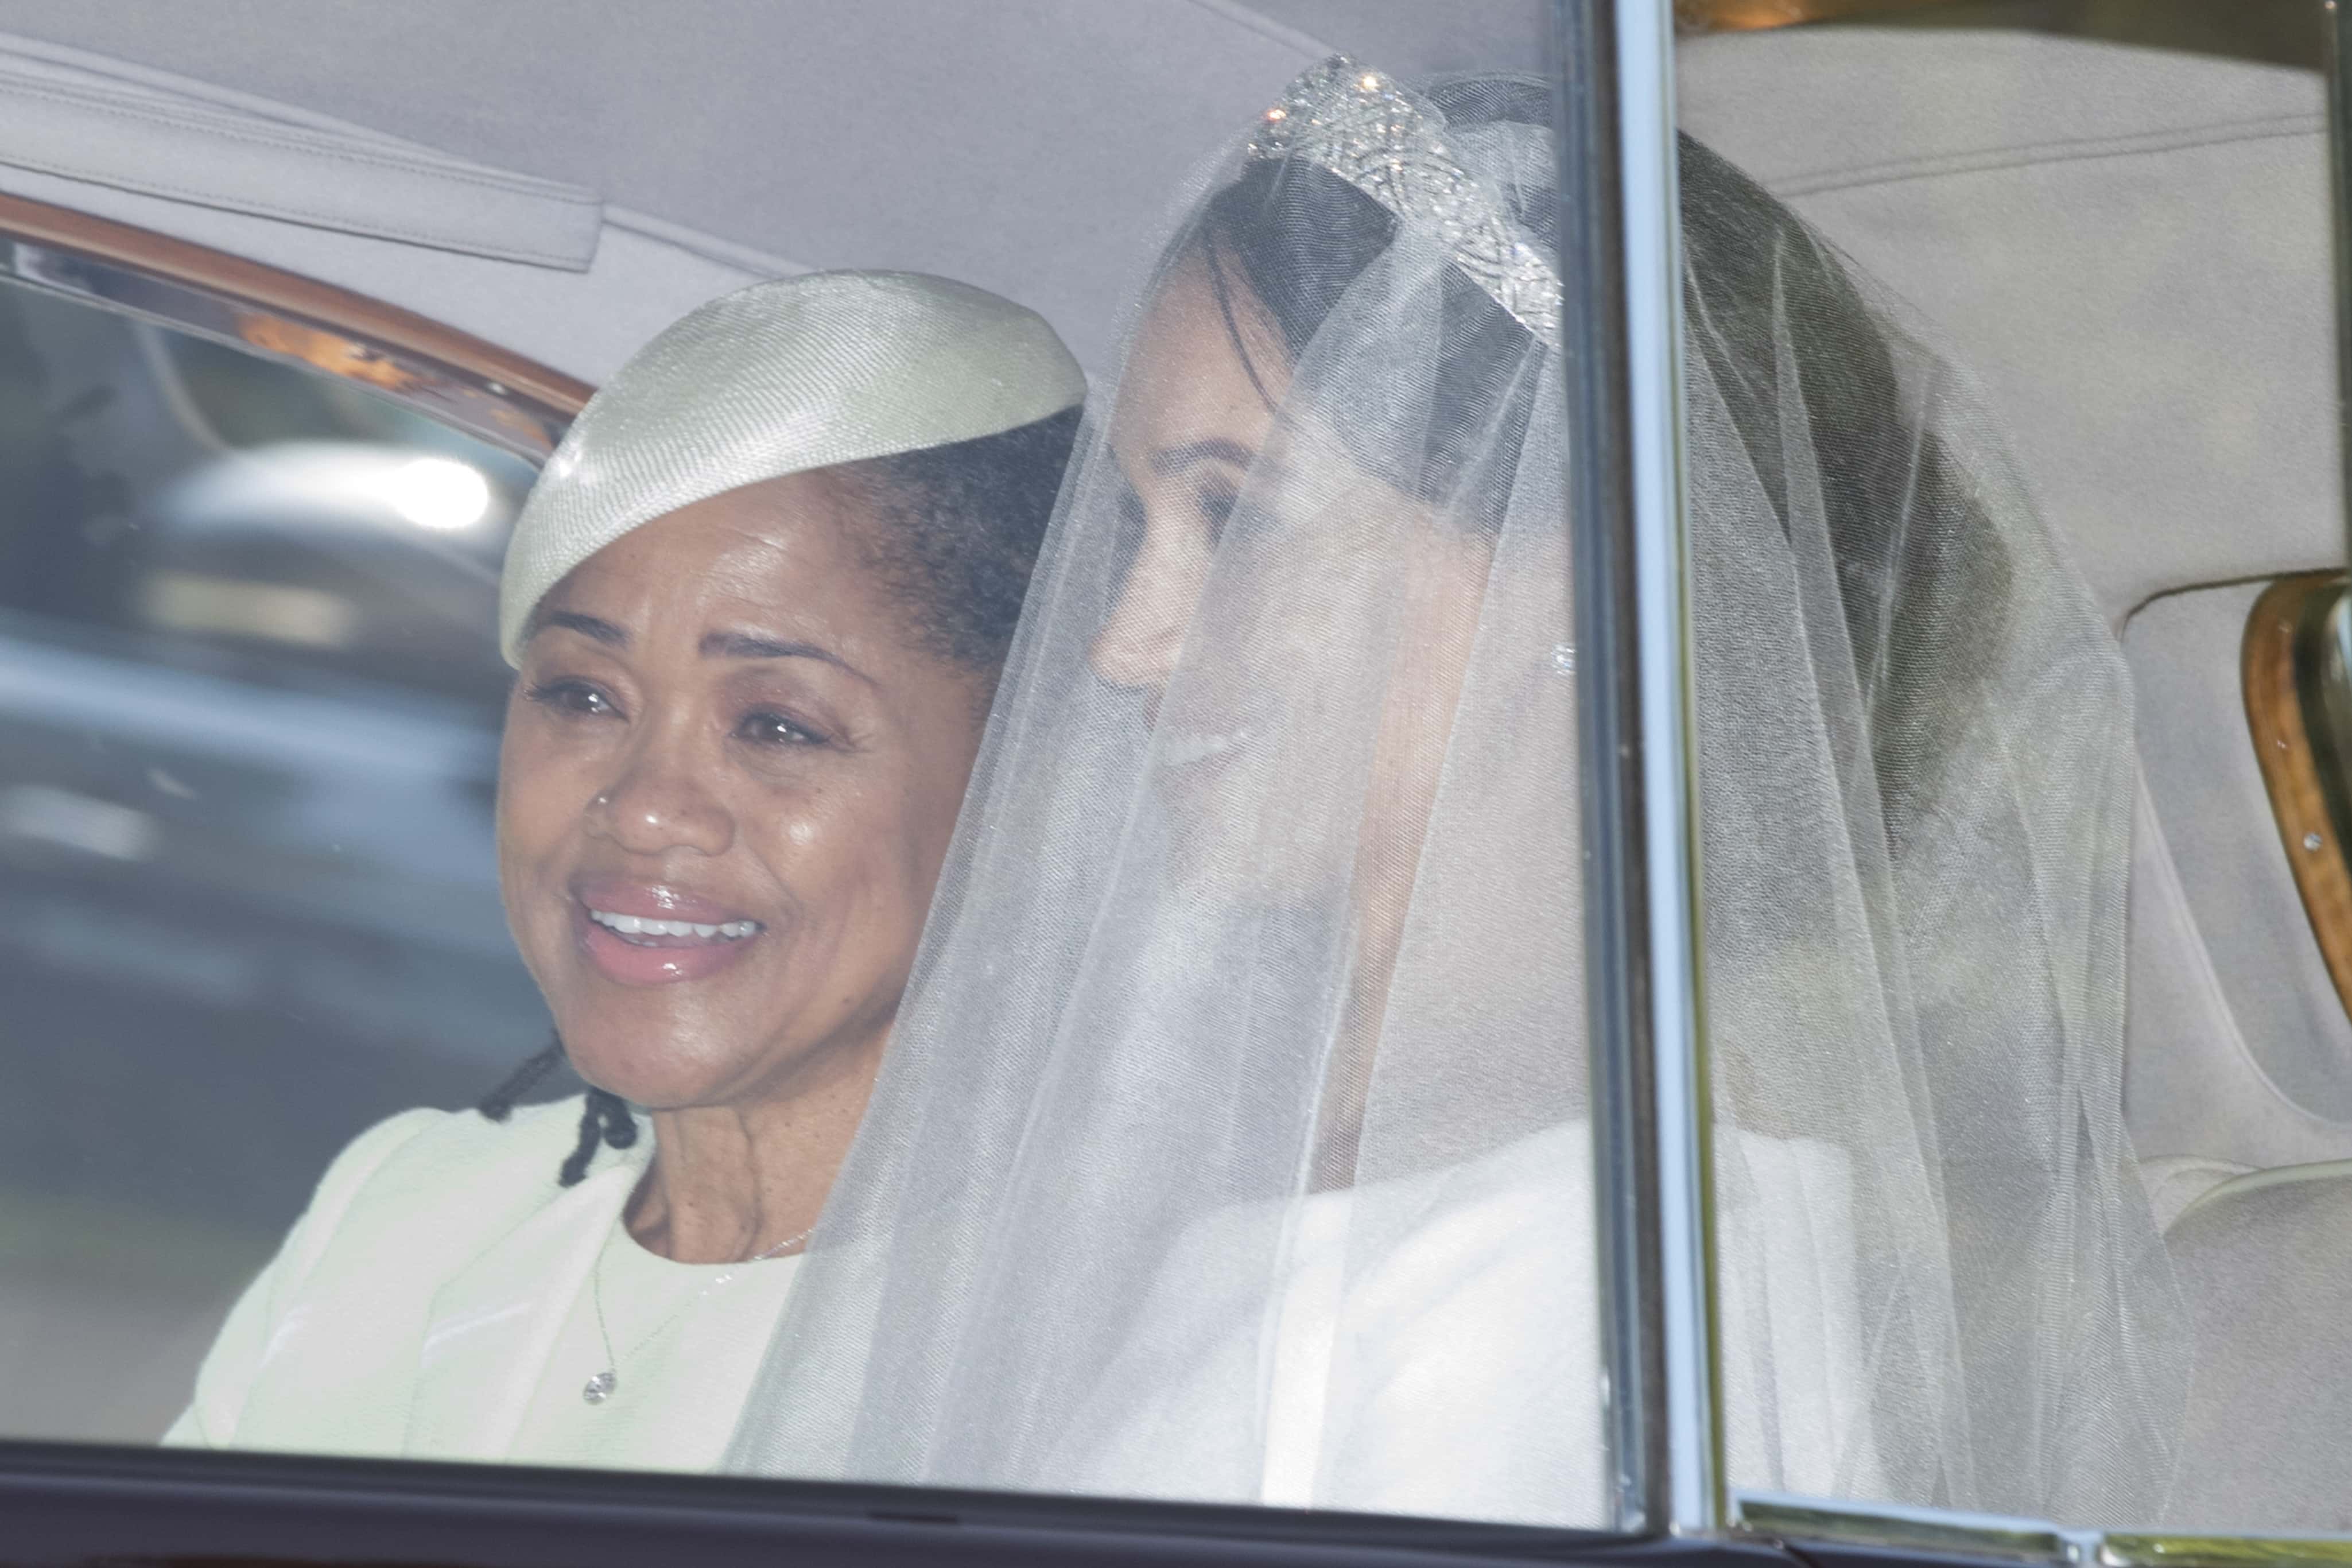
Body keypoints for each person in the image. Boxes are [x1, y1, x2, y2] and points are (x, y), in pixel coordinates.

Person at [721, 64, 2186, 1526]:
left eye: (1238, 516)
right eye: (1142, 527)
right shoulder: (1263, 1157)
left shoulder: (1589, 1278)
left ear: (1578, 589)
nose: (1124, 644)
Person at [162, 271, 1085, 1468]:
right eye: (584, 695)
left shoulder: (1092, 1339)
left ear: (1036, 781)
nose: (644, 809)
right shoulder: (406, 1210)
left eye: (780, 725)